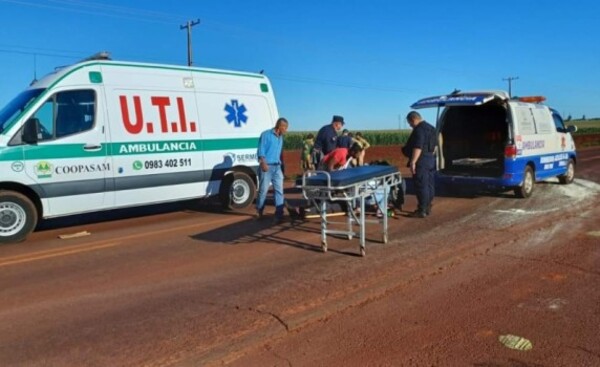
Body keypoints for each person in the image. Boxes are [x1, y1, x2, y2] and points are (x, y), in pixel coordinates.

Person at [402, 111, 437, 218]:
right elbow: (435, 145)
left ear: (413, 119)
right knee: (429, 184)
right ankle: (427, 206)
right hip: (430, 159)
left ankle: (422, 210)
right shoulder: (431, 128)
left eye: (410, 123)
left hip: (421, 161)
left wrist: (413, 162)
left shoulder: (419, 130)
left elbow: (418, 147)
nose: (410, 126)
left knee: (421, 185)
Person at [256, 117, 289, 224]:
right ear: (280, 126)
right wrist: (263, 163)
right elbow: (261, 150)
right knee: (263, 190)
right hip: (267, 166)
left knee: (279, 191)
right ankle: (259, 210)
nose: (286, 130)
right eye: (285, 128)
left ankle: (279, 215)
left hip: (277, 167)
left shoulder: (281, 138)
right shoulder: (266, 135)